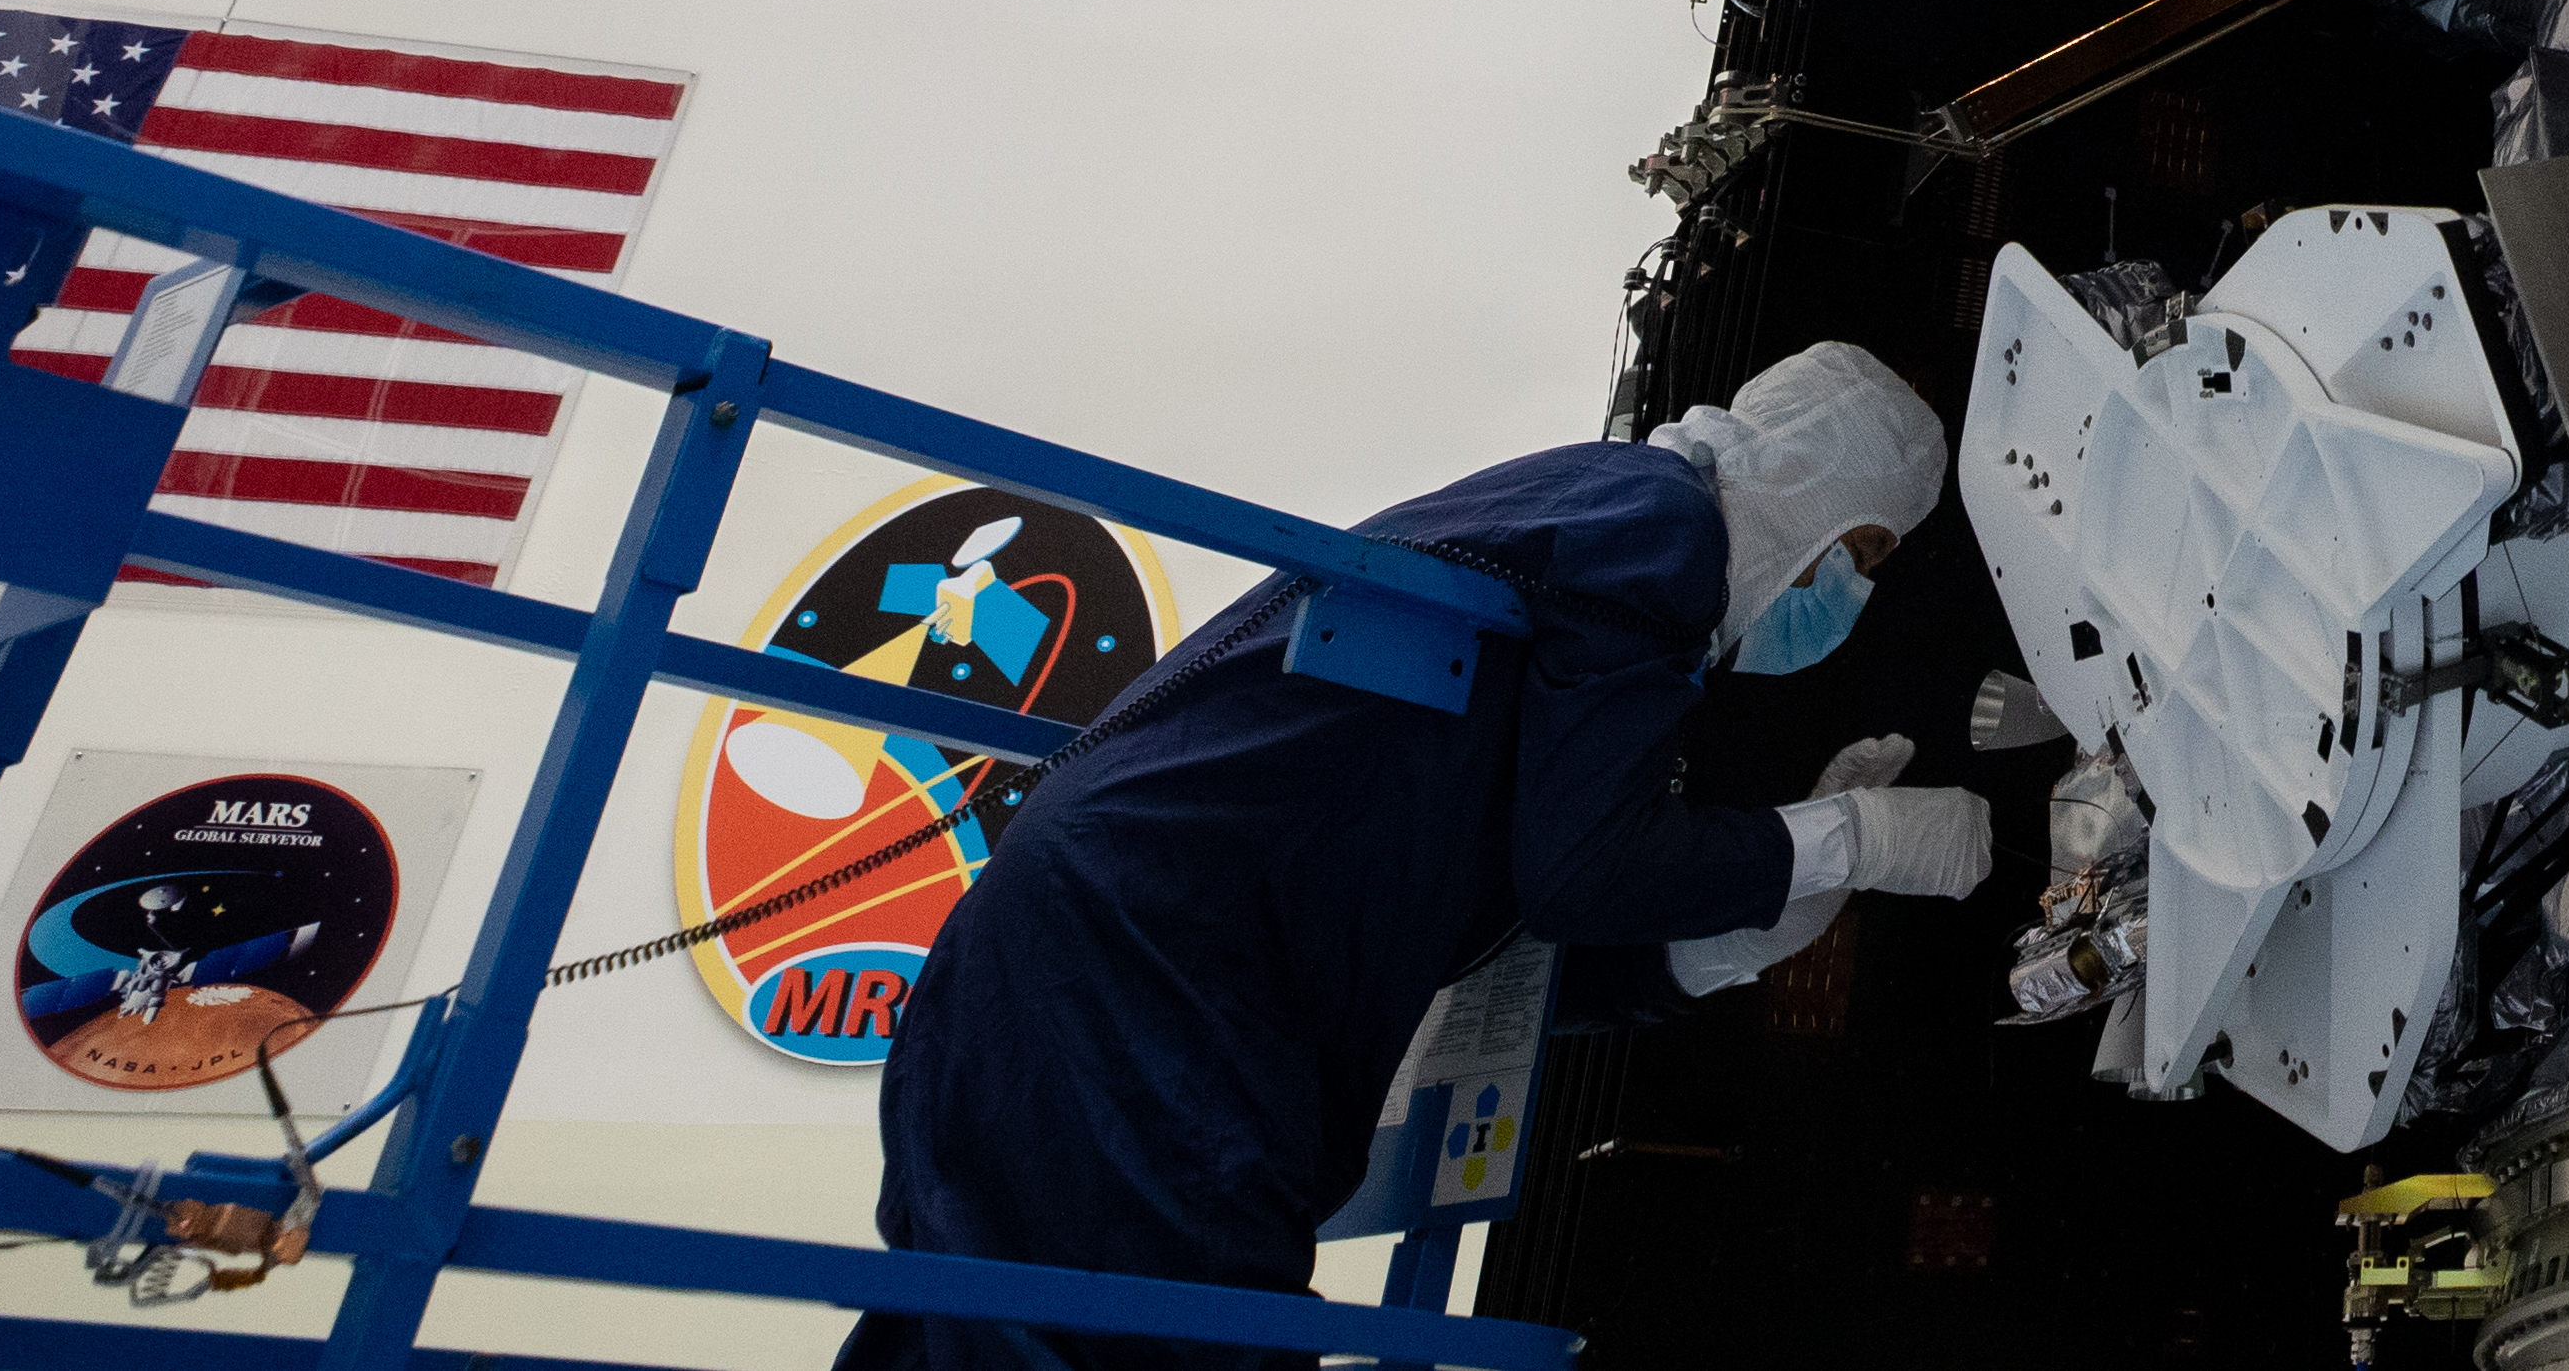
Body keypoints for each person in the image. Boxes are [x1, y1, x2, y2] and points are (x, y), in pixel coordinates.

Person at [841, 342, 1990, 1366]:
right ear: (1811, 488)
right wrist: (1851, 839)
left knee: (976, 1319)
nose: (1852, 595)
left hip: (1094, 926)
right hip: (1164, 951)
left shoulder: (1601, 520)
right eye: (1865, 551)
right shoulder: (1666, 525)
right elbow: (1582, 869)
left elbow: (1494, 915)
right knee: (1177, 1327)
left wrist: (1726, 938)